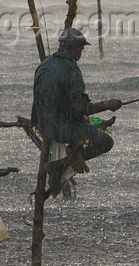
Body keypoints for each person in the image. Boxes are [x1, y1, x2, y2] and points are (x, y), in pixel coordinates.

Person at [31, 28, 122, 195]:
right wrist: (107, 105)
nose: (81, 52)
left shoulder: (44, 64)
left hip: (42, 125)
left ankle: (71, 155)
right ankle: (61, 164)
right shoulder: (72, 70)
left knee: (84, 126)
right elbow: (80, 108)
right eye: (80, 48)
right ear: (72, 48)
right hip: (61, 129)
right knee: (106, 142)